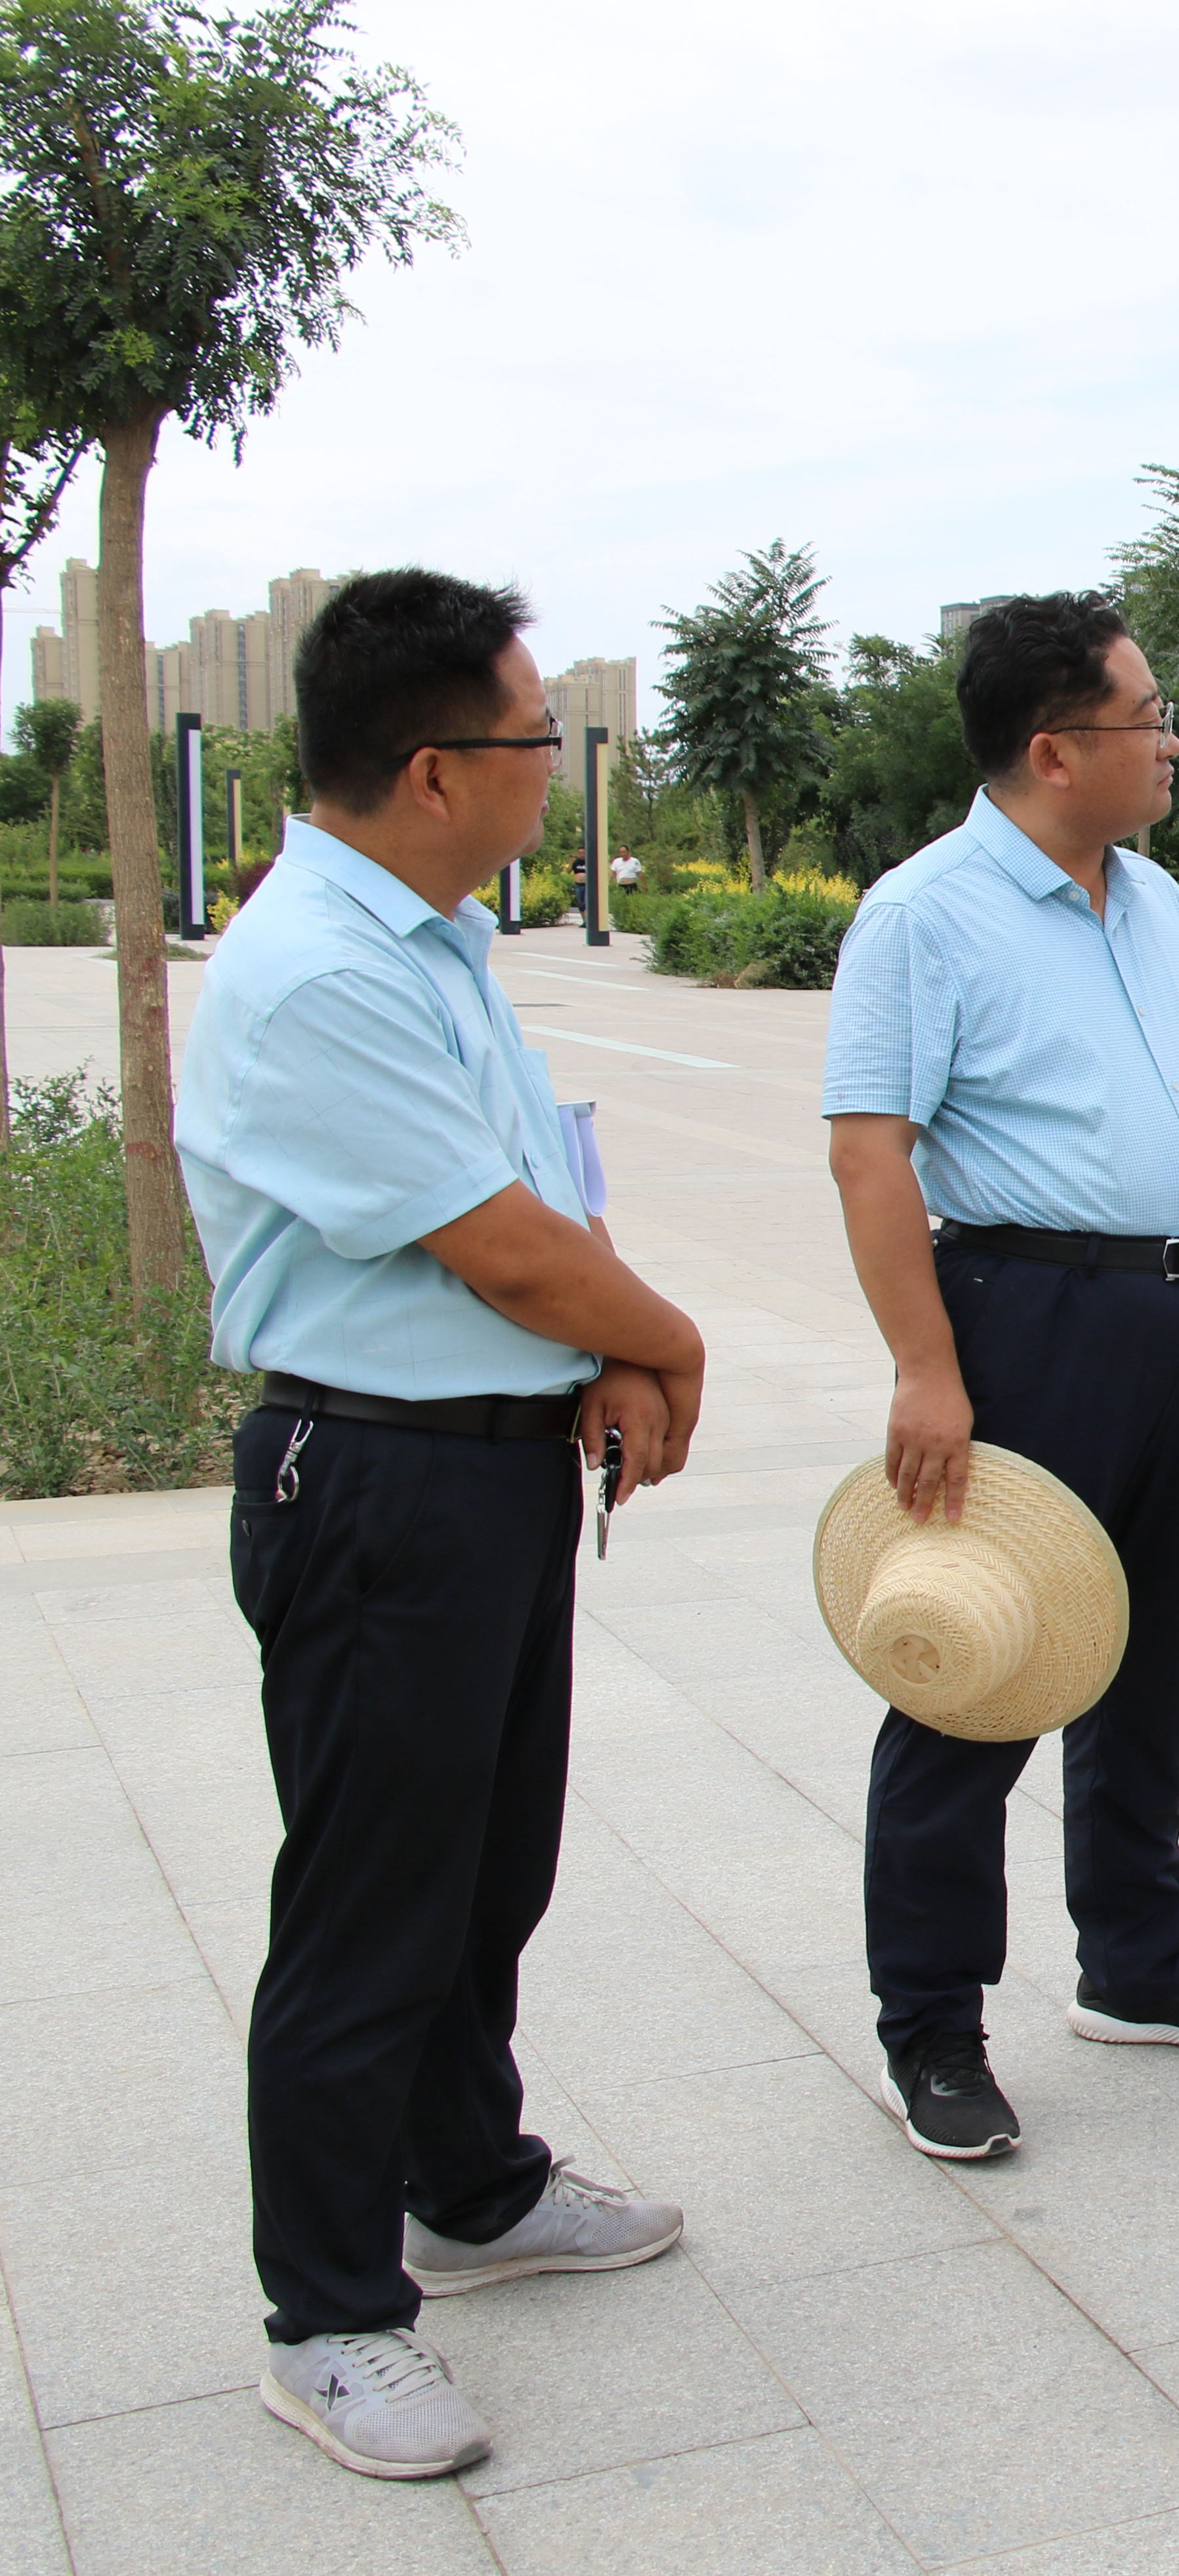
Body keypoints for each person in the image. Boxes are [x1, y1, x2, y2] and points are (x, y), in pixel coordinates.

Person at [176, 570, 705, 2481]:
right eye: (533, 737)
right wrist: (669, 1338)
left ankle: (470, 2185)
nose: (552, 768)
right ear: (430, 769)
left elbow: (542, 1184)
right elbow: (493, 1246)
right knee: (369, 1906)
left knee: (484, 1870)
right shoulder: (320, 973)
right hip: (376, 1476)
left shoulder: (434, 940)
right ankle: (328, 2314)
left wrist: (610, 1343)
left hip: (487, 1461)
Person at [822, 590, 1179, 2163]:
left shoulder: (1153, 901)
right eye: (1147, 718)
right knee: (979, 1666)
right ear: (1051, 748)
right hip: (1028, 1316)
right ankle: (932, 2024)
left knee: (1145, 1657)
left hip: (1178, 1321)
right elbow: (870, 1153)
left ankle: (1139, 1962)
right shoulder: (924, 913)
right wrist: (925, 1368)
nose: (1170, 742)